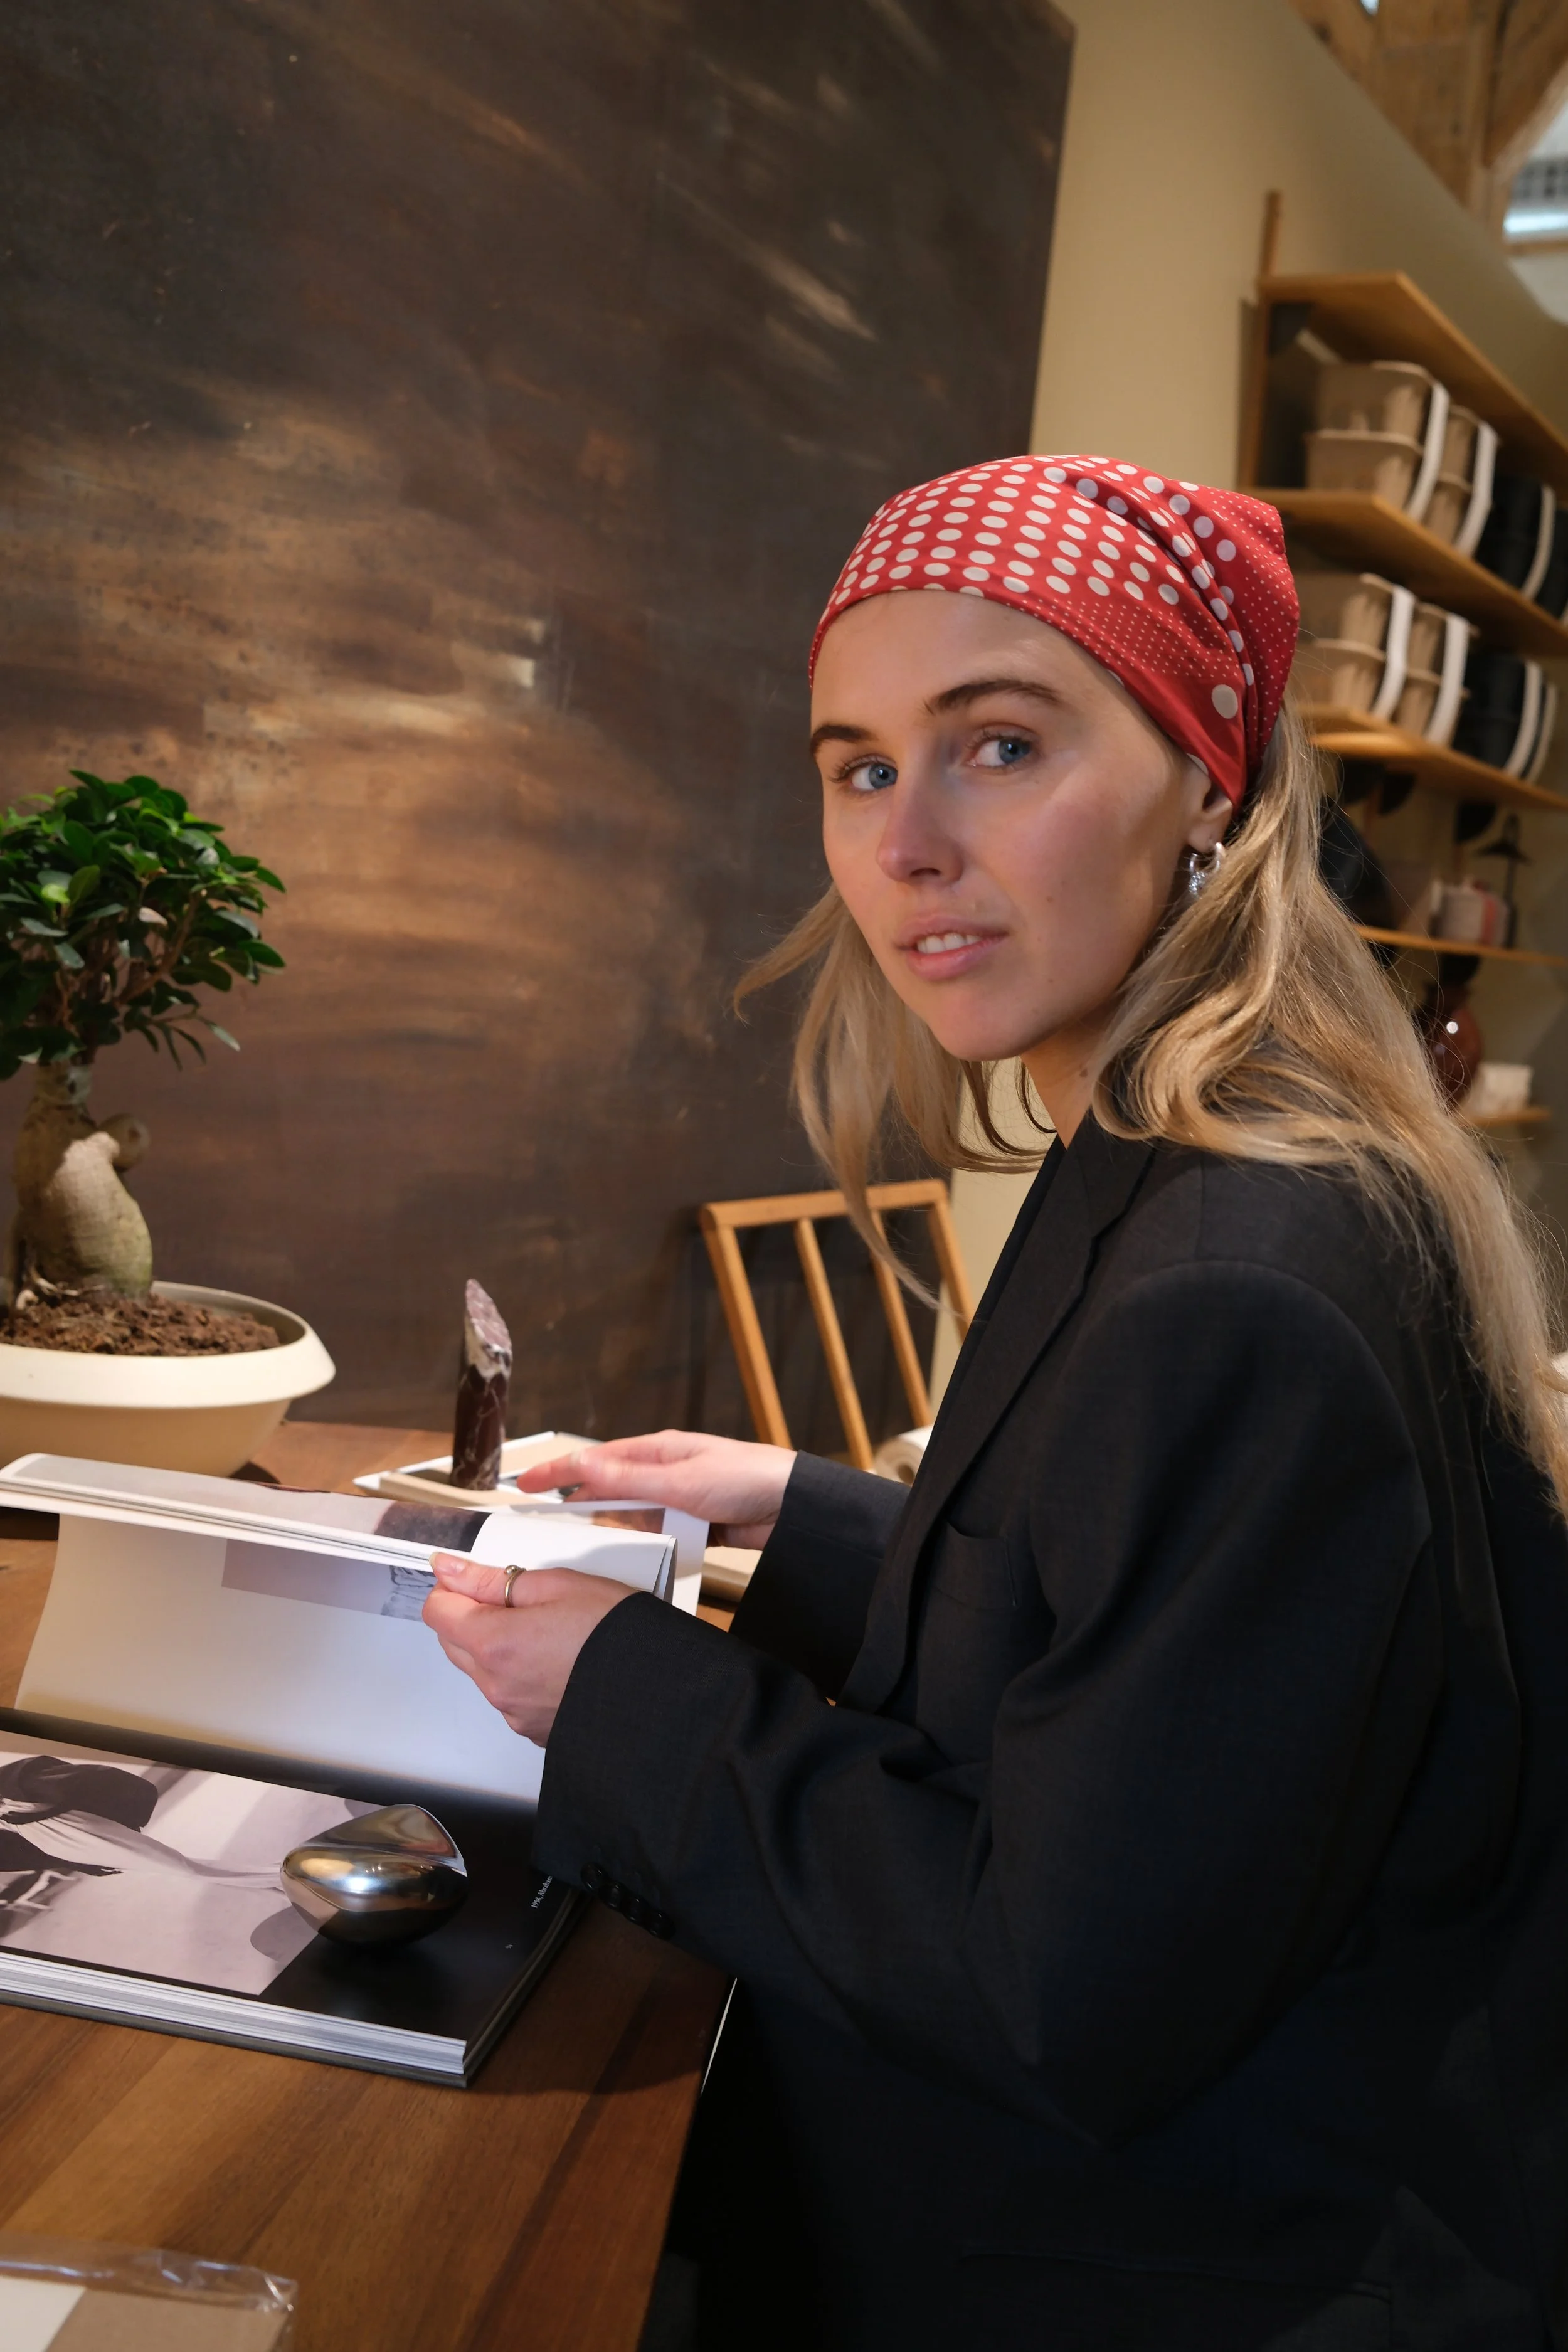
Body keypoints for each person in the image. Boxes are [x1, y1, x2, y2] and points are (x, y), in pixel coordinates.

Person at [424, 455, 1568, 2351]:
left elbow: (1056, 1977)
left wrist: (622, 1683)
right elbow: (1173, 1652)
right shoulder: (1187, 1151)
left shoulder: (1232, 1280)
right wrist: (794, 1506)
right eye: (858, 765)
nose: (903, 843)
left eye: (999, 745)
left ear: (1206, 772)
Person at [0, 1754, 282, 1890]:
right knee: (180, 1867)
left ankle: (277, 1879)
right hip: (50, 1838)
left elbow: (41, 1786)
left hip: (67, 1826)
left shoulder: (16, 1792)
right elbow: (15, 1851)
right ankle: (275, 1881)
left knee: (180, 1867)